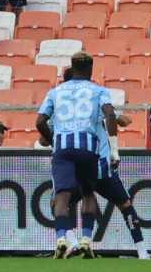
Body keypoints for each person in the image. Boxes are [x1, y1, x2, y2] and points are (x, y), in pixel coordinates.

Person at [35, 52, 121, 259]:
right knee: (88, 194)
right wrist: (114, 150)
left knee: (62, 196)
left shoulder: (55, 92)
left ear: (72, 69)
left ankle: (62, 239)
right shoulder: (99, 90)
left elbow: (39, 122)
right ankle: (86, 241)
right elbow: (110, 114)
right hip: (87, 147)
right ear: (91, 70)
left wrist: (54, 139)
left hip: (63, 148)